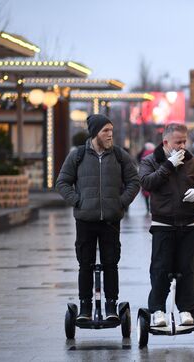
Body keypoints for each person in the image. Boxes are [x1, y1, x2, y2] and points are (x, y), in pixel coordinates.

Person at [56, 114, 140, 322]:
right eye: (105, 131)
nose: (110, 134)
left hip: (111, 220)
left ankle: (111, 305)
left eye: (111, 130)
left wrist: (121, 202)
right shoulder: (77, 156)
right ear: (95, 133)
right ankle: (85, 307)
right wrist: (77, 201)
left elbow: (134, 181)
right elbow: (62, 182)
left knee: (111, 263)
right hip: (85, 220)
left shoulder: (120, 155)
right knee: (85, 264)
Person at [138, 123, 194, 327]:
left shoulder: (193, 161)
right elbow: (147, 183)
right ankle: (158, 310)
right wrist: (168, 166)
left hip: (190, 224)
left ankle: (186, 309)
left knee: (188, 269)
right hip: (163, 224)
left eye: (184, 141)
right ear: (166, 143)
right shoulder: (150, 161)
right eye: (178, 142)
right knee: (160, 269)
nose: (182, 146)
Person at [137, 142, 155, 214]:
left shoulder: (143, 154)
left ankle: (147, 207)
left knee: (146, 193)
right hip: (154, 175)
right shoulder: (156, 154)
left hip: (145, 176)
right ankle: (152, 207)